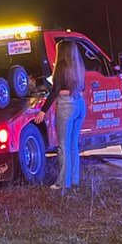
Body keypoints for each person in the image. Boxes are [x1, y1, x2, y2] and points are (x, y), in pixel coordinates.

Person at [41, 38, 86, 190]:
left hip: (66, 106)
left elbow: (54, 91)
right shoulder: (78, 67)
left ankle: (62, 182)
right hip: (80, 104)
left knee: (63, 146)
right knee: (73, 145)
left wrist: (42, 111)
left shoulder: (61, 67)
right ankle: (74, 180)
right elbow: (82, 87)